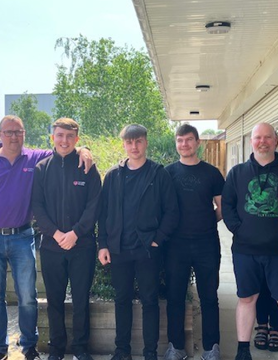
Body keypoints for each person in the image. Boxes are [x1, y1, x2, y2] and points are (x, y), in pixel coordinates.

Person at [0, 115, 92, 360]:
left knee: (28, 296)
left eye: (18, 132)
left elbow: (64, 148)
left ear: (24, 134)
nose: (13, 136)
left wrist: (84, 150)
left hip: (23, 236)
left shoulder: (35, 159)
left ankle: (29, 345)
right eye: (8, 132)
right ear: (0, 134)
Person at [222, 122, 278, 360]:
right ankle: (243, 350)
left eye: (267, 137)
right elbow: (227, 205)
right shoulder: (237, 172)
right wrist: (238, 228)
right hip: (245, 250)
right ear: (251, 142)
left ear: (276, 141)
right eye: (258, 137)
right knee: (246, 298)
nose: (262, 141)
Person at [98, 124, 179, 360]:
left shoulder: (158, 174)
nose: (134, 147)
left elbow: (171, 212)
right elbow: (103, 214)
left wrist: (157, 240)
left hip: (147, 251)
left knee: (149, 301)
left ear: (146, 142)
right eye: (129, 142)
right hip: (119, 249)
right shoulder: (113, 175)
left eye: (138, 141)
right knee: (121, 300)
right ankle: (122, 351)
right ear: (123, 144)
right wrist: (103, 244)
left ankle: (150, 352)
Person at [31, 118, 101, 360]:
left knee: (81, 299)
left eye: (69, 137)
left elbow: (94, 206)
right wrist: (57, 234)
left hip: (82, 246)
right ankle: (57, 349)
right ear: (53, 137)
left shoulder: (87, 168)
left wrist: (75, 233)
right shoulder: (41, 168)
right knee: (54, 301)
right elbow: (37, 207)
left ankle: (81, 348)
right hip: (51, 246)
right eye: (60, 135)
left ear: (77, 140)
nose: (64, 141)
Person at [163, 124, 224, 360]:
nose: (184, 144)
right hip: (175, 245)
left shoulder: (212, 173)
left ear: (198, 143)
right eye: (180, 140)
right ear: (176, 143)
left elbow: (220, 208)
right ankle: (176, 347)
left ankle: (212, 347)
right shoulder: (167, 173)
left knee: (209, 296)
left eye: (189, 140)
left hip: (206, 243)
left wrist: (205, 221)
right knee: (175, 296)